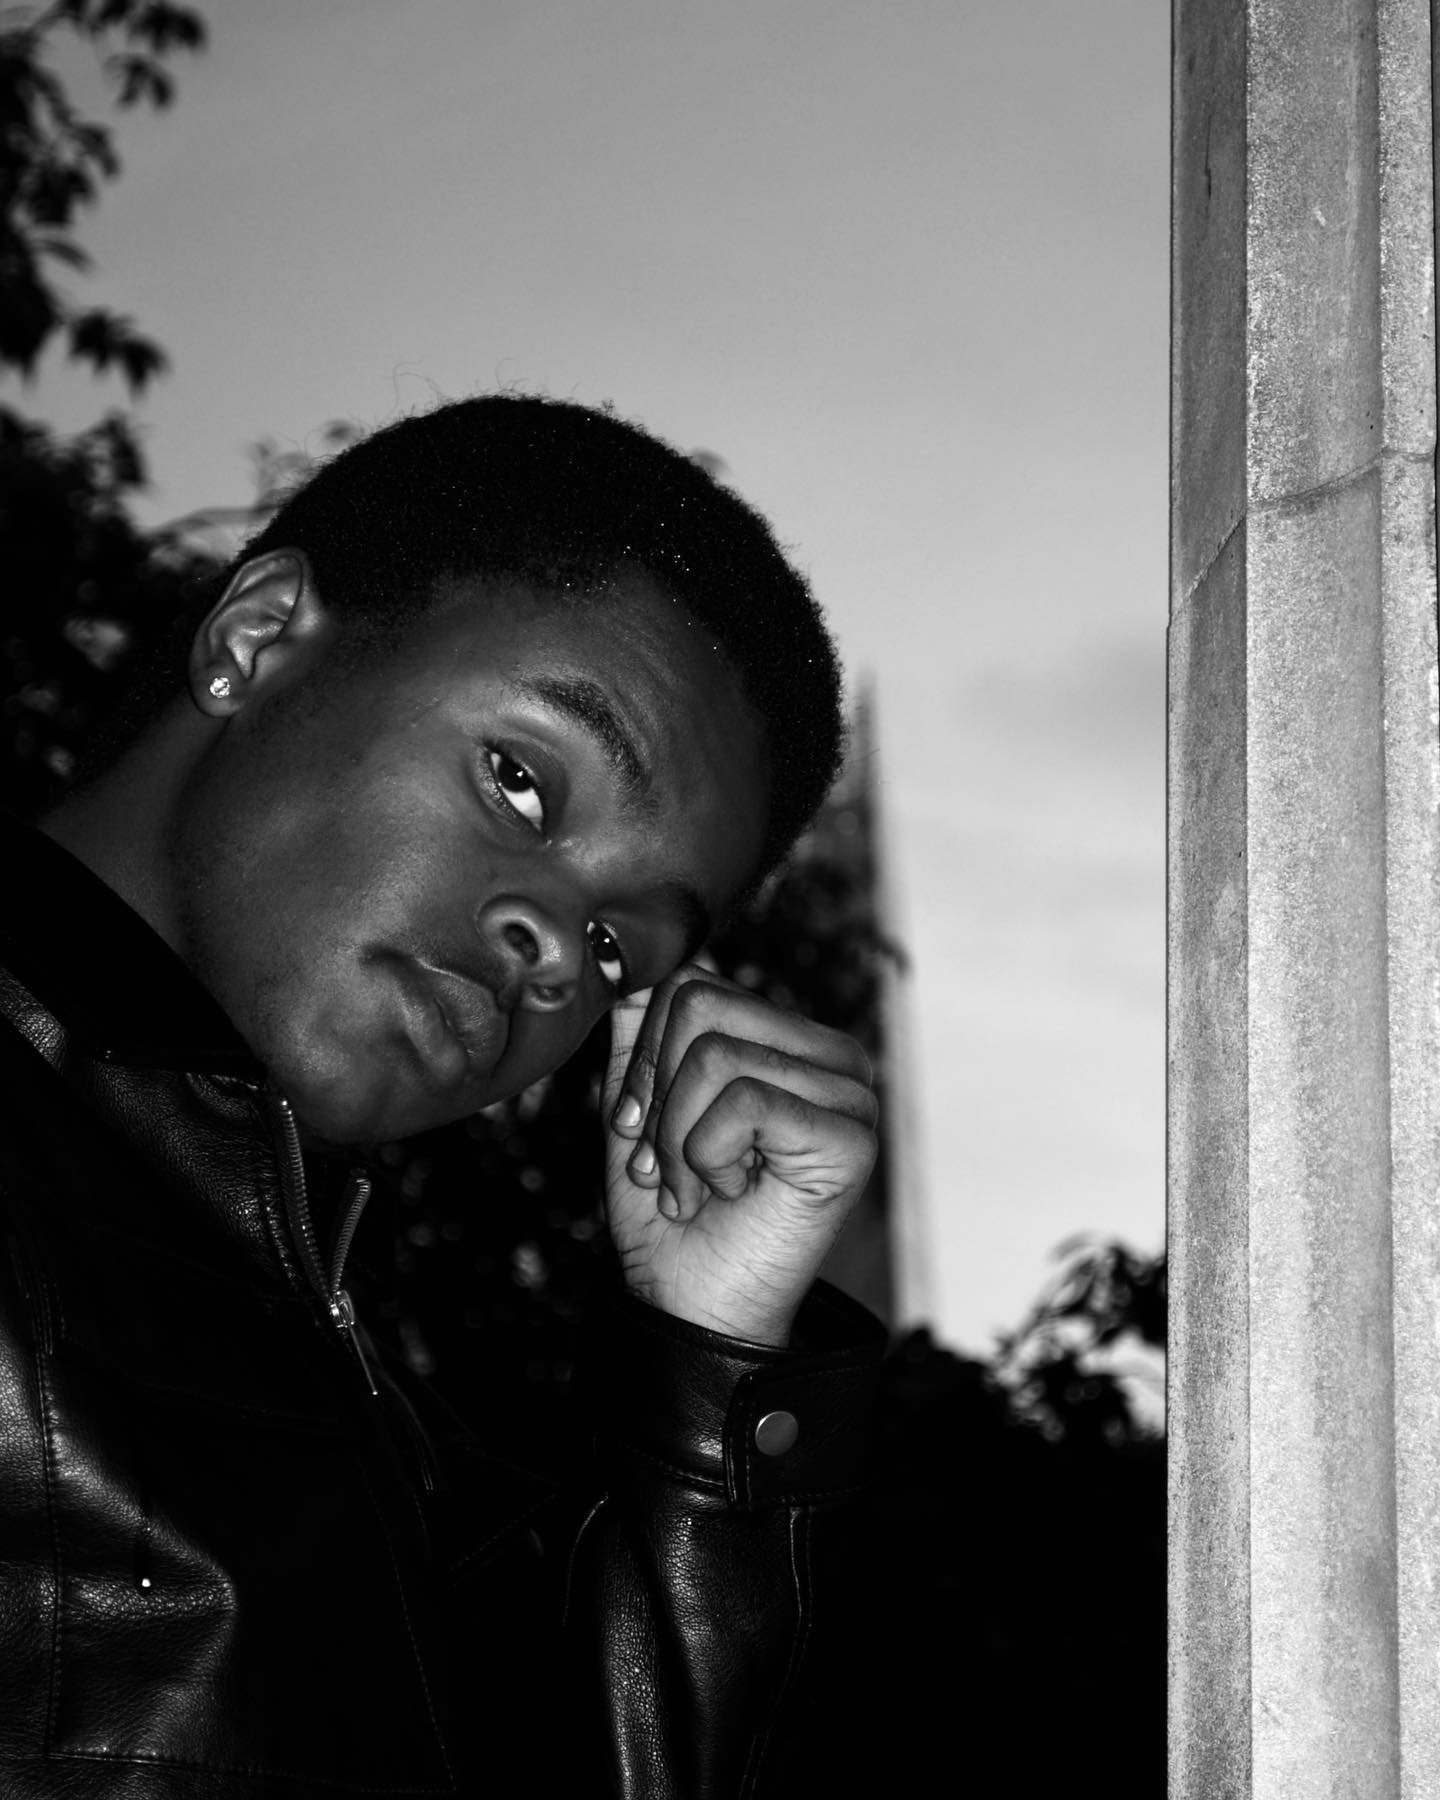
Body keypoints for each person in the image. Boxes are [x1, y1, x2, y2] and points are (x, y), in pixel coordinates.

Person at [0, 394, 886, 1797]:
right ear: (256, 641)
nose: (551, 953)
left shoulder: (351, 1391)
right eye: (524, 786)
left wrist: (707, 1376)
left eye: (615, 946)